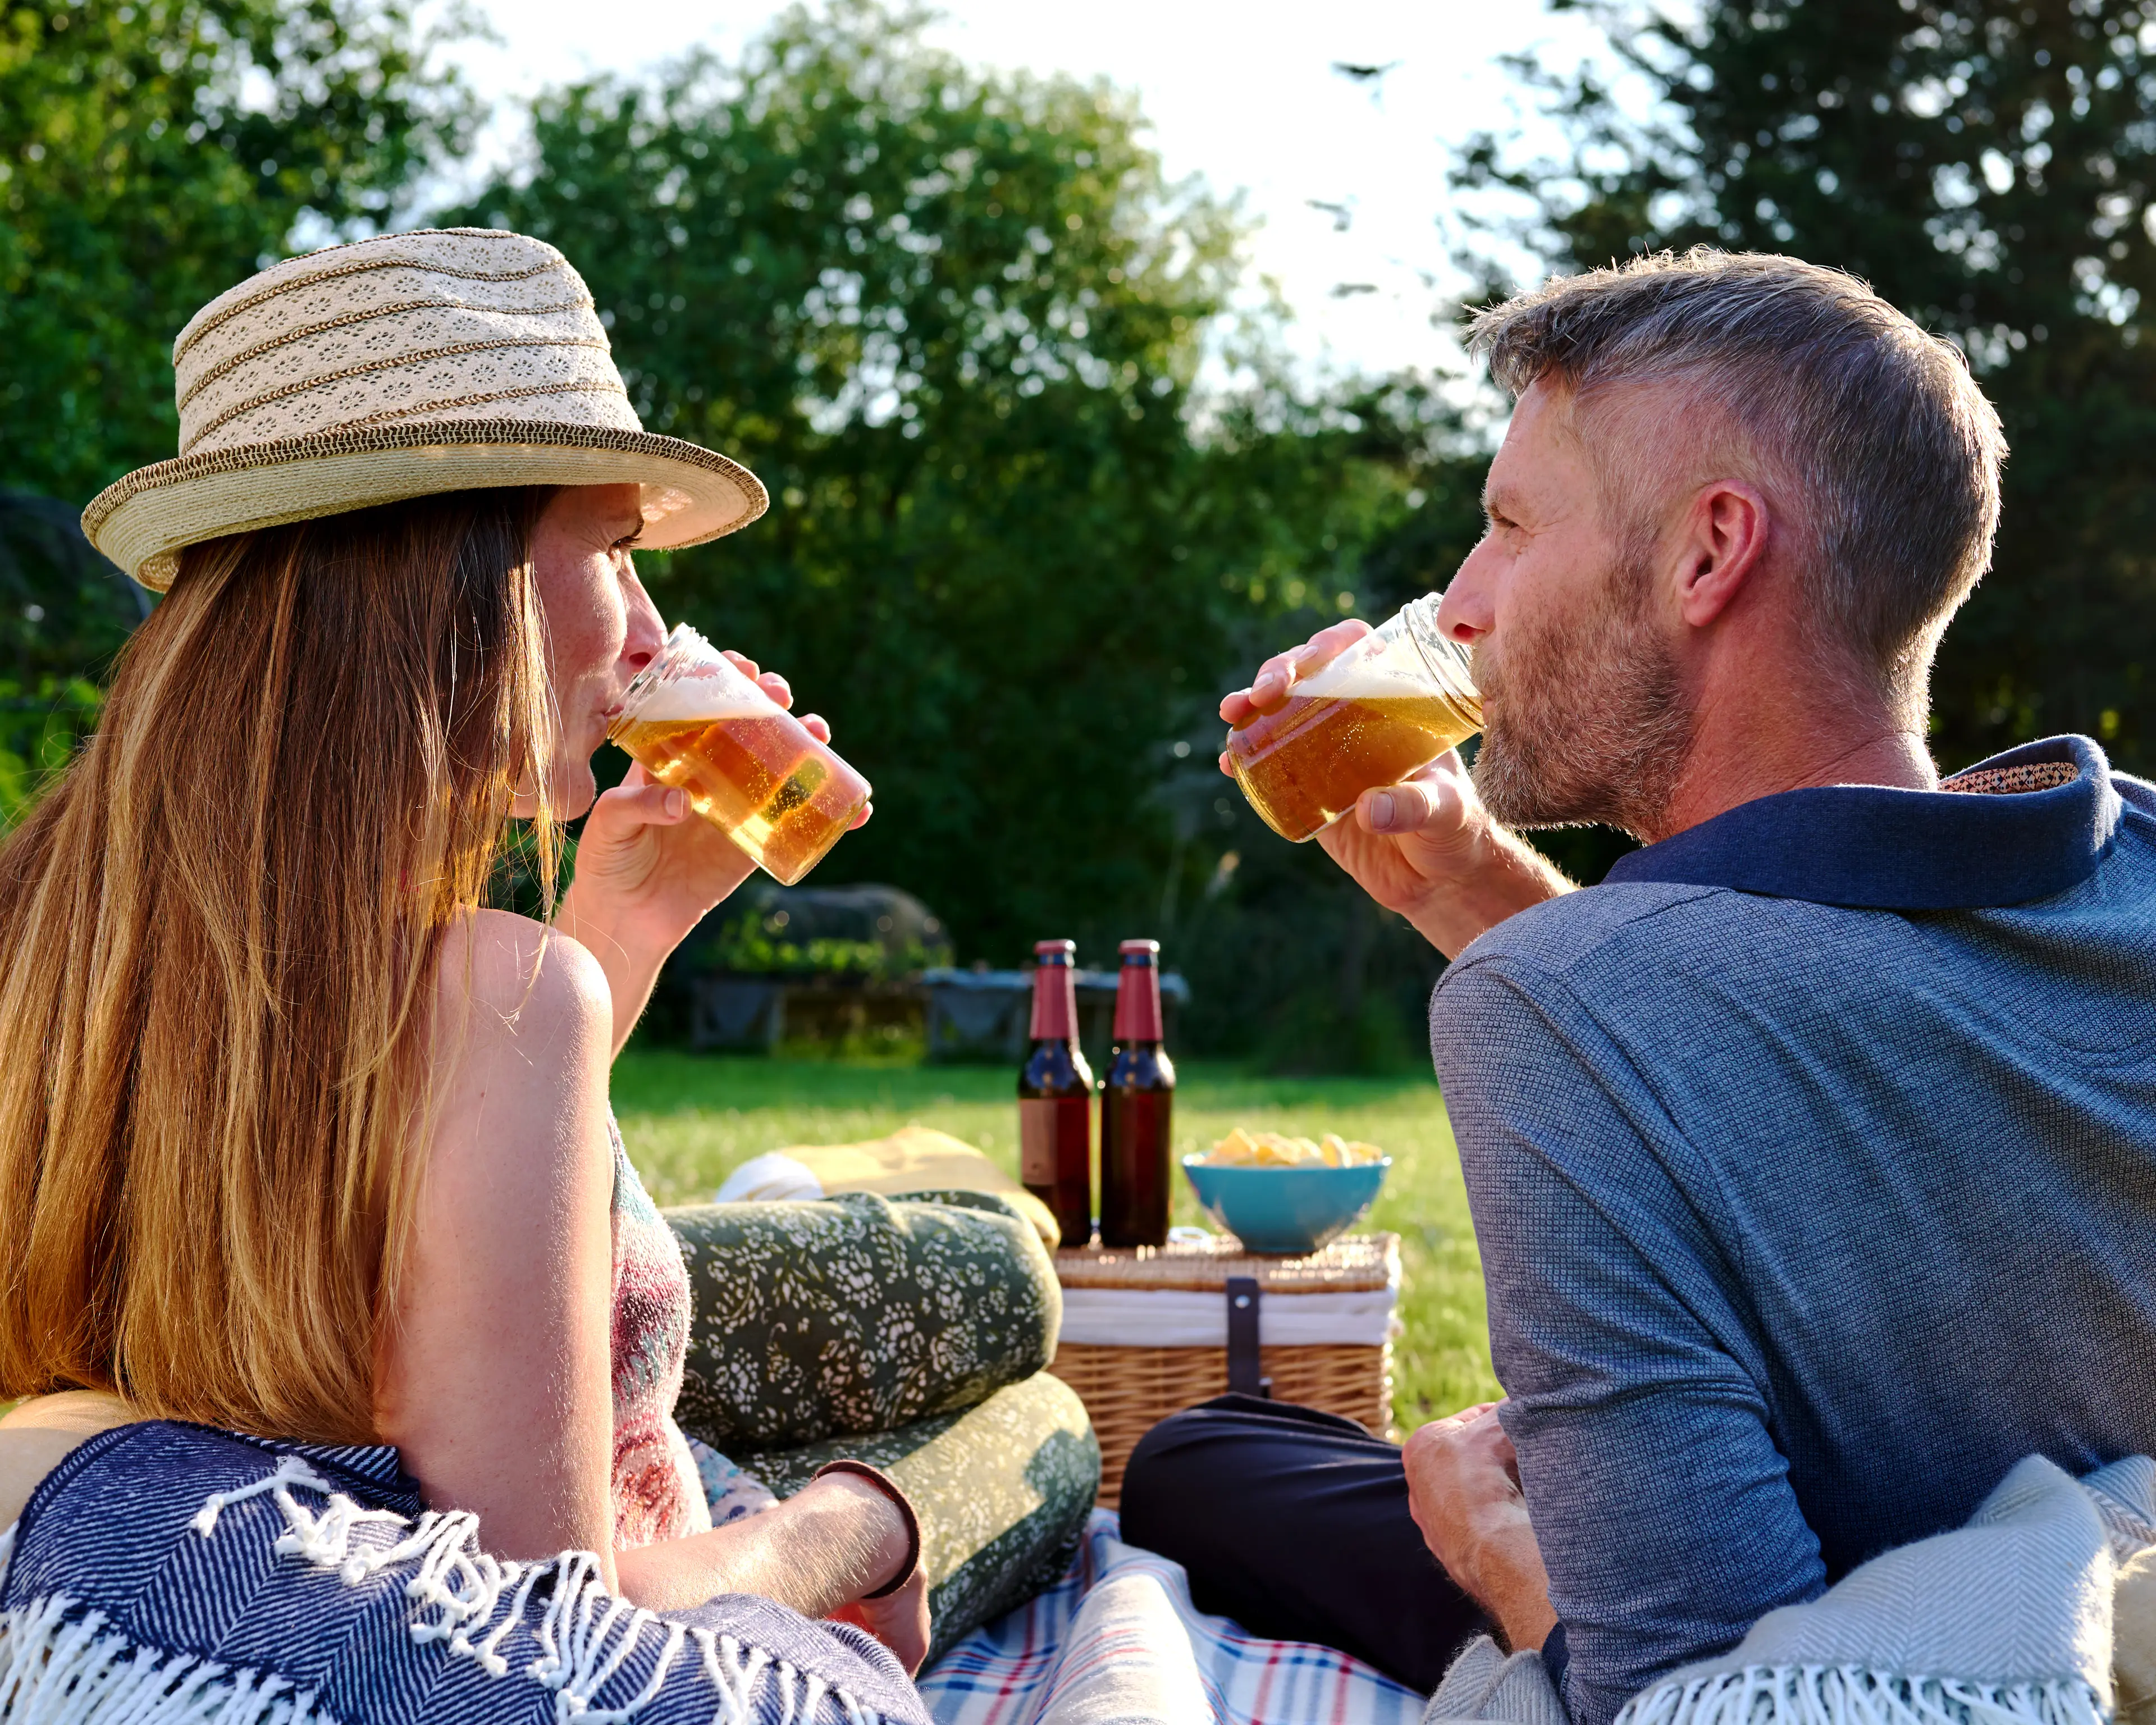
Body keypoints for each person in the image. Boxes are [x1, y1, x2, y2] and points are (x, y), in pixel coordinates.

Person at [0, 228, 1093, 1722]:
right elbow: (538, 1629)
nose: (647, 631)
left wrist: (620, 929)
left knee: (998, 1278)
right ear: (451, 576)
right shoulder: (490, 993)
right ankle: (932, 1493)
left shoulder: (62, 910)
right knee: (1038, 1419)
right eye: (615, 548)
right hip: (566, 1537)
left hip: (295, 1464)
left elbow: (395, 1174)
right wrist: (842, 1535)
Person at [1120, 248, 2156, 1721]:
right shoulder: (2129, 861)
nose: (1460, 603)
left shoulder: (1572, 1002)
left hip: (1865, 1637)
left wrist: (1496, 1548)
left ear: (1707, 554)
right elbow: (1805, 997)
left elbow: (1678, 1691)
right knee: (1212, 1459)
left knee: (1203, 1475)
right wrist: (1461, 883)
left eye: (1508, 526)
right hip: (2075, 1564)